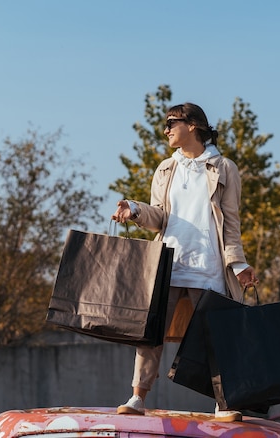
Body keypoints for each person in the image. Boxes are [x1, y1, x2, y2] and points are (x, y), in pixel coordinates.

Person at [111, 102, 258, 421]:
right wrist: (134, 210)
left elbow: (230, 222)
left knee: (215, 336)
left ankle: (225, 402)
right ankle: (137, 397)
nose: (166, 130)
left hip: (209, 266)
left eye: (171, 123)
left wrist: (238, 264)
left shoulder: (224, 168)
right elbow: (158, 218)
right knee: (150, 333)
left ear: (192, 125)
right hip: (168, 265)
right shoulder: (165, 168)